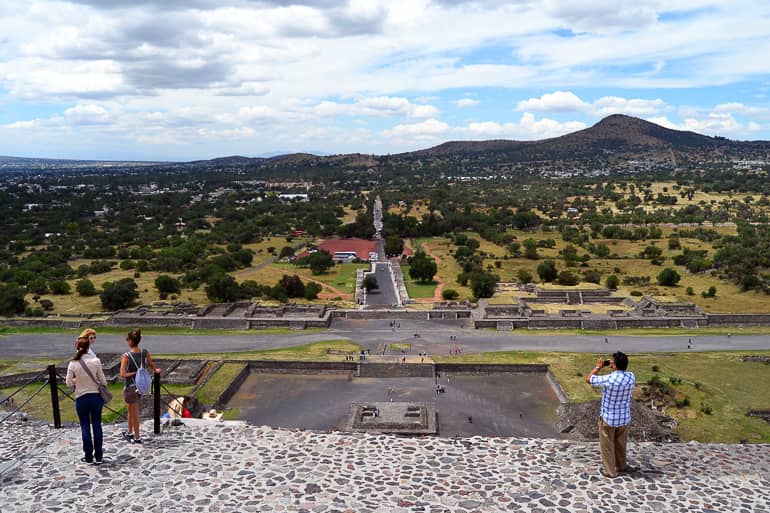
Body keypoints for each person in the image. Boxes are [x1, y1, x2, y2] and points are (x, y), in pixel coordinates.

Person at [586, 351, 636, 478]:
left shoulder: (610, 379)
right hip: (624, 417)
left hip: (609, 418)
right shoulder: (631, 376)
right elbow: (621, 371)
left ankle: (610, 471)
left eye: (612, 361)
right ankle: (621, 465)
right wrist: (613, 363)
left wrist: (598, 367)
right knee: (620, 444)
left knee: (607, 445)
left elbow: (589, 379)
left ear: (614, 365)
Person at [66, 337, 108, 464]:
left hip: (81, 397)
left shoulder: (73, 364)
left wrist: (76, 380)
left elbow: (68, 383)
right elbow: (103, 381)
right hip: (95, 397)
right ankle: (99, 456)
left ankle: (88, 456)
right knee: (97, 425)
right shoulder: (96, 361)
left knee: (85, 426)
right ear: (89, 348)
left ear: (77, 347)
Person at [120, 328, 159, 444]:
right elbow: (151, 365)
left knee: (134, 412)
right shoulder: (144, 353)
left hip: (130, 386)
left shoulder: (126, 356)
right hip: (140, 387)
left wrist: (134, 372)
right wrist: (155, 370)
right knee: (130, 410)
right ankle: (129, 431)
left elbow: (122, 374)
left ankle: (136, 436)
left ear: (131, 341)